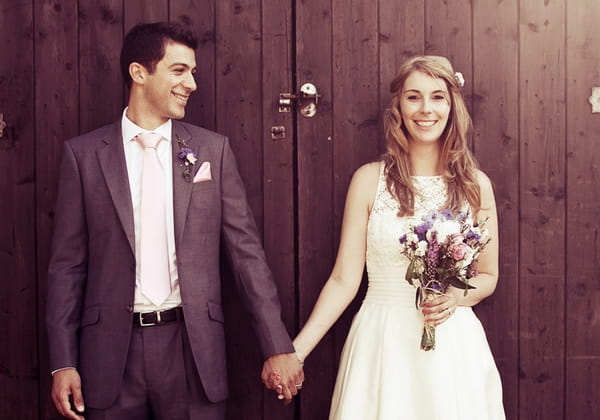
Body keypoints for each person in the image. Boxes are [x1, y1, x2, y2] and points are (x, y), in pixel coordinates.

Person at [46, 21, 303, 420]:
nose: (192, 84)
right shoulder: (83, 157)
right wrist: (62, 362)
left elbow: (246, 254)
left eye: (193, 72)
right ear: (139, 73)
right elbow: (67, 266)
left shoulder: (210, 151)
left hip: (193, 351)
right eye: (179, 70)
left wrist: (277, 344)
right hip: (110, 355)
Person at [293, 55, 505, 419]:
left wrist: (456, 296)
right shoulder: (368, 181)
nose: (426, 109)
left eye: (438, 97)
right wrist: (295, 352)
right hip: (383, 340)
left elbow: (488, 275)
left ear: (452, 105)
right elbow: (344, 280)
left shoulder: (475, 186)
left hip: (451, 345)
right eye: (414, 97)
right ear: (399, 107)